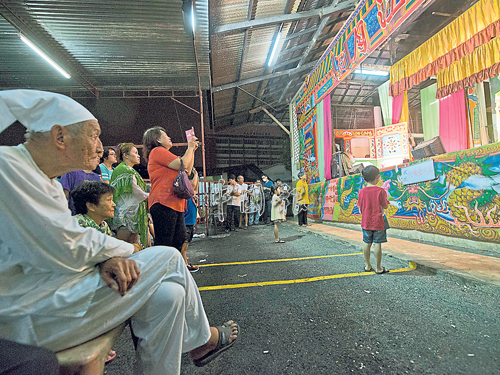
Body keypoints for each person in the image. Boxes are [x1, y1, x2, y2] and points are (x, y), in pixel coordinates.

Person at [0, 90, 239, 375]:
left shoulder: (45, 180)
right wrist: (126, 251)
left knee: (170, 295)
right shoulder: (8, 167)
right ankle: (203, 341)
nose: (101, 147)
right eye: (93, 135)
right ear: (60, 137)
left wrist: (107, 258)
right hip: (31, 315)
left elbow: (64, 242)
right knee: (168, 257)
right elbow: (63, 244)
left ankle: (197, 343)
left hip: (59, 296)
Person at [71, 180, 142, 364]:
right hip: (80, 286)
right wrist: (131, 248)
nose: (114, 204)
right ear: (91, 206)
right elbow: (106, 250)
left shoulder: (102, 225)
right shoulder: (79, 223)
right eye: (109, 199)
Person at [142, 126, 198, 260]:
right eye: (165, 135)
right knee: (166, 243)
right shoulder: (157, 151)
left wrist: (192, 150)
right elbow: (182, 164)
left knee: (178, 240)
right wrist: (189, 148)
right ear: (157, 139)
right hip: (164, 202)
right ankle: (162, 275)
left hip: (173, 203)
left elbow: (187, 171)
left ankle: (171, 273)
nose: (169, 137)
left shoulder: (166, 155)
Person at [110, 142, 149, 247]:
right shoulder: (124, 169)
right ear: (125, 155)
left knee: (132, 246)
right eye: (135, 153)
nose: (138, 155)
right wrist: (151, 197)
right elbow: (136, 192)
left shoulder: (129, 170)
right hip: (125, 216)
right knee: (124, 246)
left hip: (131, 214)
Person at [357, 165, 390, 274]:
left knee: (367, 243)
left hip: (366, 222)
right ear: (377, 177)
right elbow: (385, 206)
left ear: (364, 178)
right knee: (377, 244)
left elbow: (359, 206)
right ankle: (379, 268)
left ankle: (367, 266)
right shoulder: (380, 191)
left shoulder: (361, 192)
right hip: (378, 222)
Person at [183, 168, 200, 272]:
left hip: (190, 222)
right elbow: (194, 186)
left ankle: (184, 264)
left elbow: (196, 188)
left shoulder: (190, 194)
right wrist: (195, 174)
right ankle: (184, 265)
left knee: (185, 245)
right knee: (184, 245)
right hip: (186, 222)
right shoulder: (186, 193)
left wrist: (196, 176)